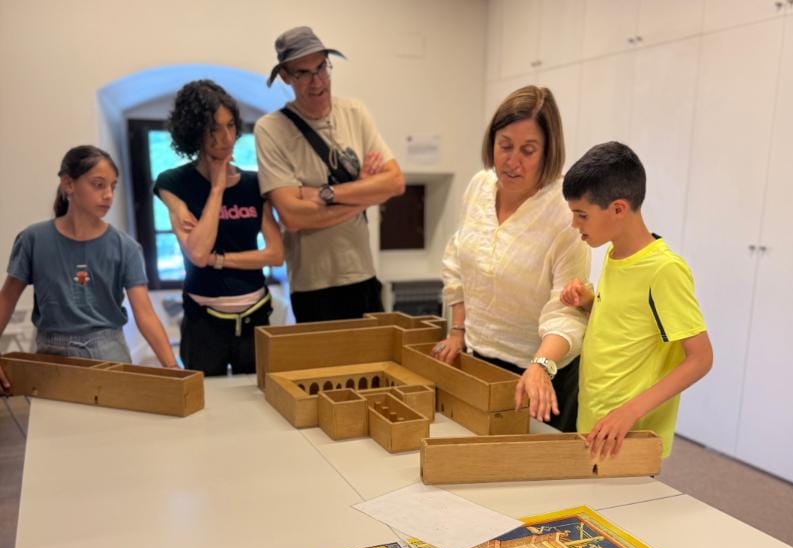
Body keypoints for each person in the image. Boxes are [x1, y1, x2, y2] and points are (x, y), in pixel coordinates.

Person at [436, 85, 590, 432]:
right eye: (505, 146)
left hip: (538, 375)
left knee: (533, 475)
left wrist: (540, 366)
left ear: (548, 153)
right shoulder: (480, 186)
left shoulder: (564, 213)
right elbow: (458, 262)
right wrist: (457, 330)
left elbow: (568, 312)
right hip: (479, 359)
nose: (512, 161)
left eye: (528, 150)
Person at [560, 141, 713, 459]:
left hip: (628, 436)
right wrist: (591, 303)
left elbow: (700, 359)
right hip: (595, 421)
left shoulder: (664, 270)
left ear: (617, 209)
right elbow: (631, 322)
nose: (575, 225)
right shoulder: (615, 254)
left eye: (582, 215)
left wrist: (629, 412)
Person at [255, 26, 404, 323]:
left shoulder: (354, 112)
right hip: (313, 285)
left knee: (372, 367)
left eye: (322, 67)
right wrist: (365, 192)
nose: (317, 82)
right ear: (285, 76)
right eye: (303, 73)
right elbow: (293, 216)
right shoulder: (270, 130)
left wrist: (327, 194)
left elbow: (395, 182)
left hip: (363, 273)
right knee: (321, 370)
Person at [0, 145, 177, 393]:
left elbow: (145, 314)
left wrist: (171, 368)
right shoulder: (33, 239)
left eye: (112, 187)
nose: (108, 195)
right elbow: (7, 298)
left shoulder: (125, 247)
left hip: (109, 355)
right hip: (50, 358)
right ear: (68, 184)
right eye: (98, 184)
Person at [154, 80, 284, 376]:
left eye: (230, 126)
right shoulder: (173, 183)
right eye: (213, 129)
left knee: (256, 401)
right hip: (203, 322)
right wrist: (216, 189)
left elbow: (276, 255)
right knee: (203, 405)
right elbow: (198, 253)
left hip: (255, 318)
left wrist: (220, 260)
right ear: (195, 132)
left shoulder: (254, 184)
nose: (226, 138)